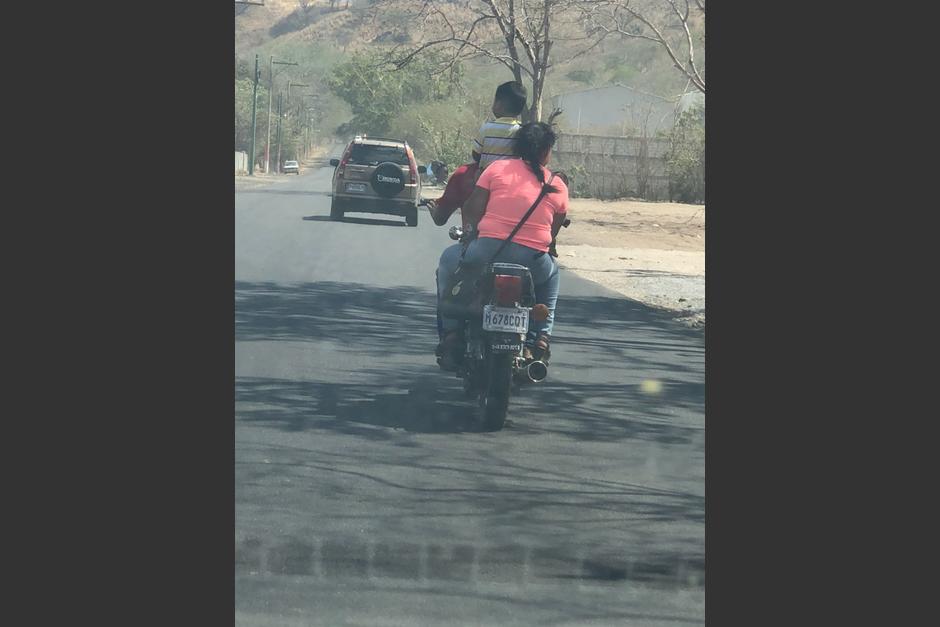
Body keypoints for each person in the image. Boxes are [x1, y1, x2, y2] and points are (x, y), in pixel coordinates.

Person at [437, 122, 569, 369]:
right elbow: (552, 234)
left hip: (486, 254)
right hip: (533, 262)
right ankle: (540, 338)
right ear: (546, 151)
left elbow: (473, 210)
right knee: (552, 274)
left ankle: (452, 333)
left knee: (447, 260)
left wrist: (472, 235)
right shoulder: (558, 184)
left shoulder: (497, 169)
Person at [471, 81, 527, 171]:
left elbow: (476, 154)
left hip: (486, 179)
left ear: (498, 104)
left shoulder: (486, 128)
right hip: (510, 180)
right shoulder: (521, 131)